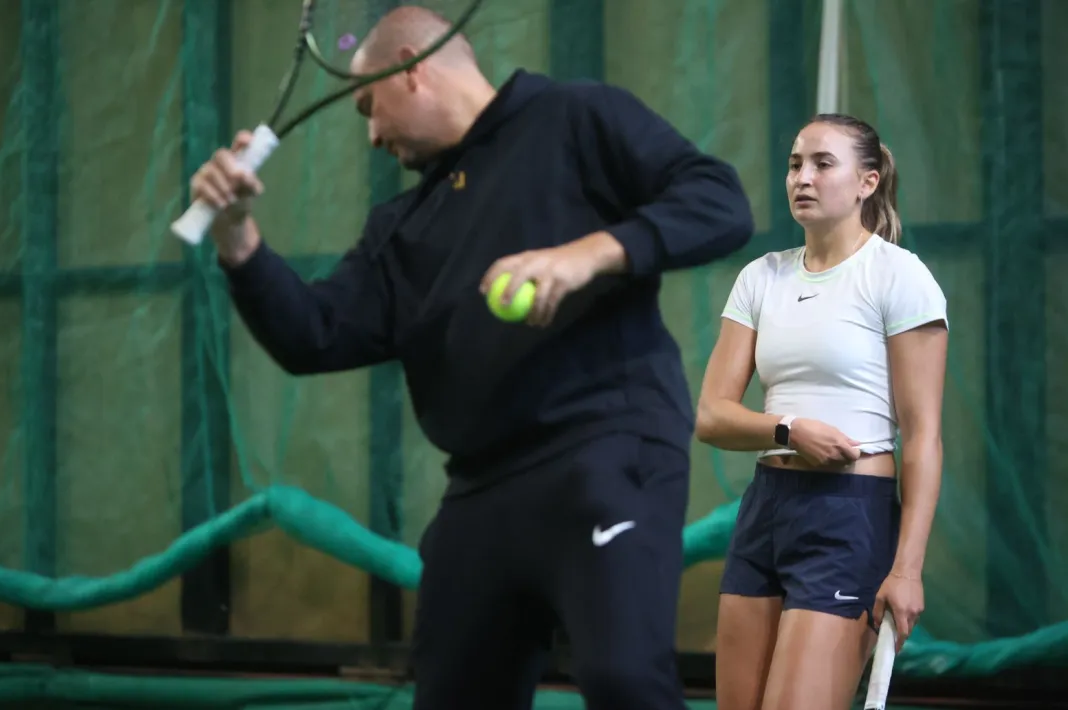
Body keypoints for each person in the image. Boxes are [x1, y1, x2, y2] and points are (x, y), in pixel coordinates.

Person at [188, 6, 755, 709]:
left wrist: (589, 254)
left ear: (411, 70)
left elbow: (721, 203)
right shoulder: (399, 228)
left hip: (606, 452)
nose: (371, 135)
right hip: (480, 493)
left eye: (368, 107)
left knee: (625, 682)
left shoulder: (574, 115)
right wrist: (237, 237)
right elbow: (312, 335)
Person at [694, 113, 948, 710]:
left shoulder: (898, 276)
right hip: (765, 511)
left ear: (867, 182)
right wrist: (788, 430)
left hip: (850, 517)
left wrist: (907, 569)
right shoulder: (761, 277)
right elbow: (711, 416)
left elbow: (924, 437)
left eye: (822, 164)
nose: (802, 178)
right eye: (794, 164)